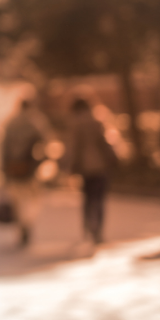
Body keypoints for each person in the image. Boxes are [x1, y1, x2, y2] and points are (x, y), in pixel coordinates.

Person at [63, 99, 118, 244]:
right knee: (99, 199)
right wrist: (113, 159)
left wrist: (71, 167)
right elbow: (106, 143)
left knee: (87, 199)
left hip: (85, 168)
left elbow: (74, 148)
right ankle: (98, 229)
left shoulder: (75, 124)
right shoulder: (97, 121)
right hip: (101, 166)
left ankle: (88, 226)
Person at [0, 99, 47, 247]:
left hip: (13, 168)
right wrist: (39, 163)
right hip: (29, 168)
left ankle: (21, 225)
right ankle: (27, 224)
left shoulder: (11, 123)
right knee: (32, 199)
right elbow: (45, 144)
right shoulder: (36, 123)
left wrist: (3, 169)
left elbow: (3, 148)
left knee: (17, 200)